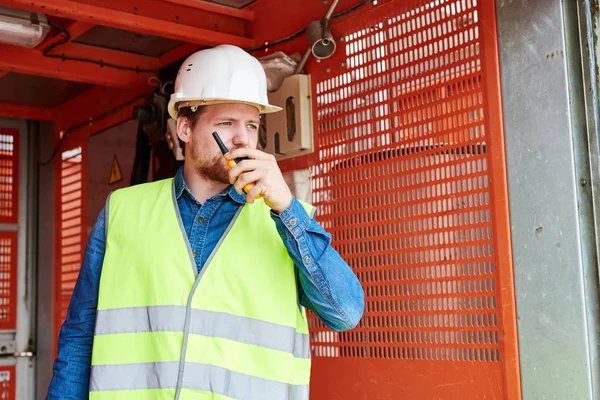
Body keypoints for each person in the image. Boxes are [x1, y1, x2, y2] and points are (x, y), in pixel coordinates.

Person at [46, 44, 364, 400]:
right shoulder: (123, 211)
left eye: (251, 124)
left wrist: (286, 208)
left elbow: (345, 313)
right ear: (184, 128)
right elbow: (79, 335)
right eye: (225, 123)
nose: (242, 138)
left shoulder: (289, 218)